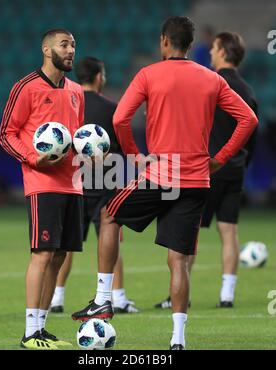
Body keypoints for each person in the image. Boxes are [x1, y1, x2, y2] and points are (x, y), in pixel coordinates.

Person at [71, 16, 258, 350]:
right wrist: (221, 157)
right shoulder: (210, 78)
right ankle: (178, 339)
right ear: (190, 44)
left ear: (164, 42)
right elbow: (249, 119)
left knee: (109, 216)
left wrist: (134, 155)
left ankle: (102, 299)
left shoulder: (149, 74)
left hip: (161, 172)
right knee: (179, 260)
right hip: (198, 178)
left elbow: (120, 118)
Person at [154, 31, 258, 310]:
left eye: (213, 48)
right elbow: (251, 133)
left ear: (223, 51)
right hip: (235, 168)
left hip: (206, 168)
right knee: (229, 231)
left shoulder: (210, 84)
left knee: (189, 233)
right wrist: (240, 163)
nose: (210, 52)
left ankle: (179, 296)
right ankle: (227, 294)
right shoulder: (247, 90)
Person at [0, 29, 84, 349]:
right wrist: (35, 158)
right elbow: (7, 133)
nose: (71, 50)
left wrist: (91, 152)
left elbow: (77, 137)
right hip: (43, 181)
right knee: (43, 252)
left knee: (61, 255)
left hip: (73, 183)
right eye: (65, 45)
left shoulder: (77, 90)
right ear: (47, 50)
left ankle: (42, 329)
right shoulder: (26, 87)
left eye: (73, 45)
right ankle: (29, 332)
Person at [50, 57, 139, 314]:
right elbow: (122, 149)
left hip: (74, 184)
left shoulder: (67, 107)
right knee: (111, 241)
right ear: (99, 76)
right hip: (106, 186)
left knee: (67, 245)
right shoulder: (113, 109)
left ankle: (57, 297)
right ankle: (119, 298)